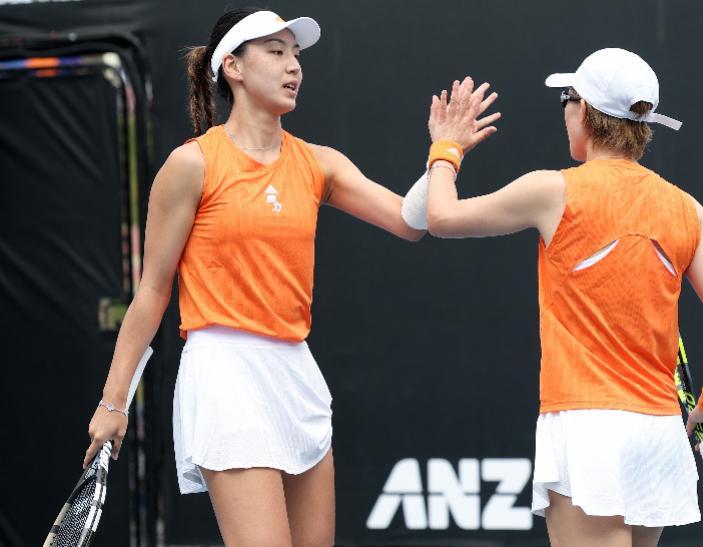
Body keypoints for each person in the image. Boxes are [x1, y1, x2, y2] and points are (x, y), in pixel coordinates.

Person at [82, 7, 496, 547]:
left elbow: (409, 221)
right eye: (275, 52)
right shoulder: (192, 165)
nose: (293, 66)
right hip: (224, 373)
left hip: (295, 373)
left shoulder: (319, 163)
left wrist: (446, 152)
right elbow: (153, 290)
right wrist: (113, 402)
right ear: (233, 67)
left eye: (295, 54)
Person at [423, 50, 703, 547]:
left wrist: (446, 148)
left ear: (587, 112)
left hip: (588, 426)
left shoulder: (553, 190)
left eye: (566, 99)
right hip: (658, 431)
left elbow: (442, 217)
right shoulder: (688, 209)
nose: (564, 111)